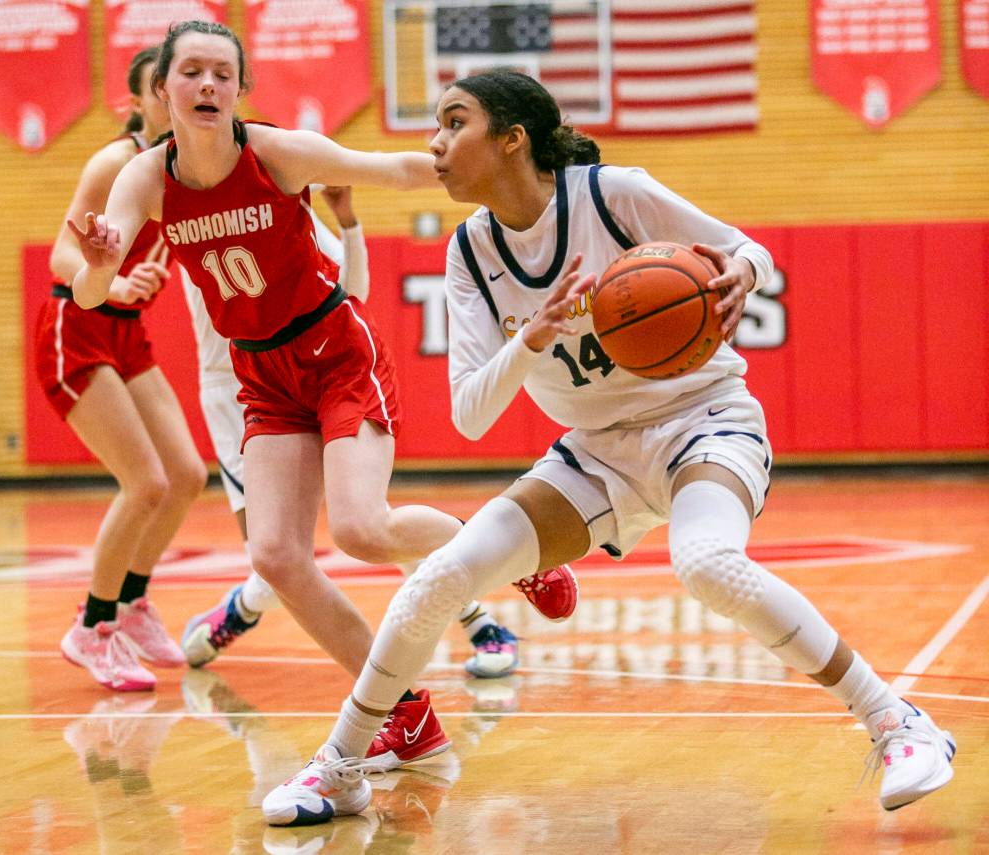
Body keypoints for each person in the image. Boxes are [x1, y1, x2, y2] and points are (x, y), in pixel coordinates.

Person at [261, 69, 957, 825]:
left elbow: (744, 247)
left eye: (454, 123)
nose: (434, 141)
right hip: (593, 452)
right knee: (441, 575)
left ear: (511, 139)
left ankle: (897, 720)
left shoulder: (610, 194)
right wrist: (530, 336)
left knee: (706, 562)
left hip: (703, 417)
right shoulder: (470, 251)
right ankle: (340, 764)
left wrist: (739, 275)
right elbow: (469, 413)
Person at [66, 24, 577, 769]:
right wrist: (100, 269)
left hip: (334, 351)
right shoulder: (144, 178)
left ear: (240, 89)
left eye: (222, 73)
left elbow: (393, 170)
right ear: (163, 91)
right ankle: (405, 712)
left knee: (365, 529)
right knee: (274, 554)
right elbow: (86, 292)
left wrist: (490, 170)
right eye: (191, 73)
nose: (207, 85)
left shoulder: (273, 152)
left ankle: (509, 549)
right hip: (262, 376)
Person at [179, 184, 536, 680]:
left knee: (368, 526)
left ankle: (476, 620)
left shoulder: (272, 205)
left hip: (315, 365)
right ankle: (247, 607)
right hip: (236, 386)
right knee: (274, 553)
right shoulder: (167, 196)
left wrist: (349, 222)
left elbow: (354, 289)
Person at [35, 45, 204, 691]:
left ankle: (131, 603)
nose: (176, 94)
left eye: (185, 81)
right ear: (138, 100)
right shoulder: (116, 160)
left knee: (185, 475)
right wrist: (110, 279)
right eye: (161, 87)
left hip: (127, 331)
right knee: (145, 483)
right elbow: (59, 253)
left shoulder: (191, 165)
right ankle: (93, 626)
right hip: (74, 325)